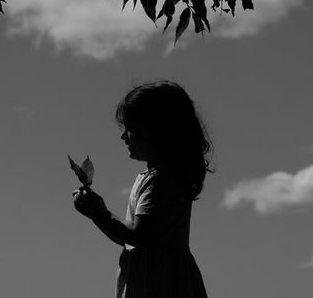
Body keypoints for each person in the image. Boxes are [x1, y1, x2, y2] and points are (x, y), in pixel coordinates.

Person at [72, 80, 211, 298]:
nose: (123, 136)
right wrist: (98, 215)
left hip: (158, 283)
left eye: (129, 128)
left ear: (153, 131)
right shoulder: (159, 176)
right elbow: (131, 238)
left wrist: (100, 214)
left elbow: (139, 236)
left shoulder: (161, 179)